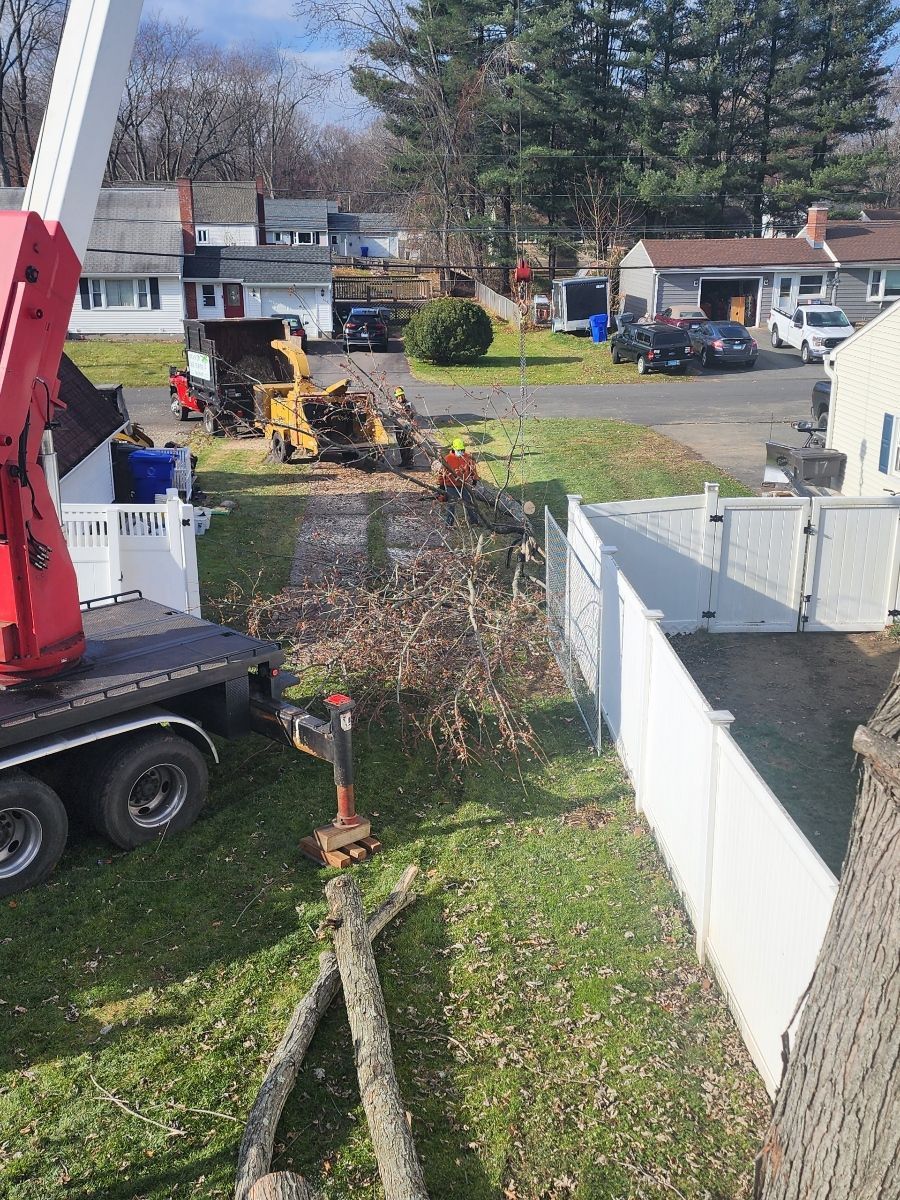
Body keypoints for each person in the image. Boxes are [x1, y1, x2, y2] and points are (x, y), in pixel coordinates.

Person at [439, 437, 480, 527]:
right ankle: (449, 524)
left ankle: (474, 521)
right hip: (451, 486)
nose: (460, 452)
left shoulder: (467, 457)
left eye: (462, 450)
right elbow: (442, 473)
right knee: (451, 504)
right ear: (453, 449)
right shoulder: (448, 459)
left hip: (463, 485)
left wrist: (474, 479)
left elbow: (472, 469)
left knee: (469, 502)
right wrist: (441, 484)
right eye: (458, 450)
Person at [390, 385, 417, 466]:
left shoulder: (409, 404)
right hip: (398, 428)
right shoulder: (394, 405)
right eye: (398, 396)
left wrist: (413, 422)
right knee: (401, 445)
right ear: (396, 397)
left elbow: (415, 414)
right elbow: (390, 415)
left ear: (404, 395)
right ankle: (404, 461)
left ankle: (410, 463)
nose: (400, 398)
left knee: (408, 445)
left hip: (408, 428)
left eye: (401, 395)